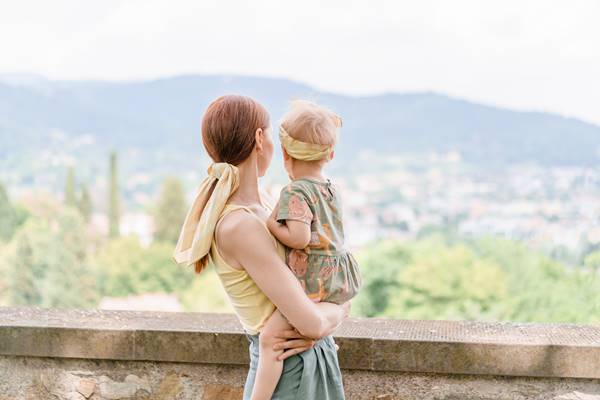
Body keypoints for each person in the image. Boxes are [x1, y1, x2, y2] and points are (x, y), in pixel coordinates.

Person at [173, 95, 350, 399]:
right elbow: (311, 320)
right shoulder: (240, 225)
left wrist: (329, 314)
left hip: (305, 363)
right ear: (259, 139)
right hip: (289, 376)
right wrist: (338, 309)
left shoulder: (266, 205)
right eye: (270, 133)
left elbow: (329, 276)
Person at [250, 100, 362, 400]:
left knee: (271, 339)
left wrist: (270, 223)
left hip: (313, 277)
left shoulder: (296, 191)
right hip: (336, 275)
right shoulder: (330, 188)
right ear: (330, 154)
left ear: (285, 154)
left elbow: (298, 238)